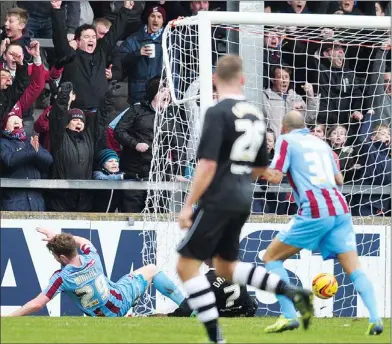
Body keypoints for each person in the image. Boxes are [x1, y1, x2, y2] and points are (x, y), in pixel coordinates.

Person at [176, 55, 314, 344]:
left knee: (186, 265)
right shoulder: (254, 114)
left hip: (219, 197)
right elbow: (261, 168)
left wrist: (189, 205)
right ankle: (290, 291)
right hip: (242, 198)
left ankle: (215, 337)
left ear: (215, 79)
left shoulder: (217, 112)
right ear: (243, 80)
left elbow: (207, 164)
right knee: (225, 268)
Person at [261, 110, 383, 335]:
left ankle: (289, 316)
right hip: (341, 208)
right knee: (353, 268)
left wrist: (253, 167)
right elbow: (339, 179)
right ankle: (375, 319)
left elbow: (276, 177)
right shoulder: (322, 145)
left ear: (284, 127)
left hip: (316, 209)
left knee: (270, 257)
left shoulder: (286, 140)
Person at [6, 227, 185, 317]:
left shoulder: (61, 278)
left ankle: (187, 309)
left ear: (61, 257)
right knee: (152, 269)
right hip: (121, 298)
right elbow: (82, 240)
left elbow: (37, 304)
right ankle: (187, 307)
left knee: (129, 279)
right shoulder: (92, 256)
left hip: (104, 316)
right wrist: (56, 236)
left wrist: (9, 317)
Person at [169, 260, 258, 318]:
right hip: (242, 315)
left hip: (220, 318)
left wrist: (170, 316)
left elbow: (185, 310)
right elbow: (251, 305)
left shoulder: (205, 281)